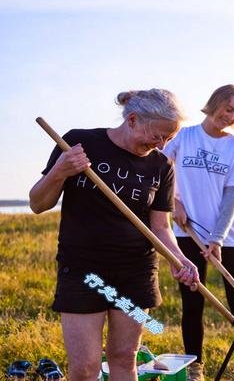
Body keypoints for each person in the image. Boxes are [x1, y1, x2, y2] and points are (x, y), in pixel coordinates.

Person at [29, 89, 200, 381]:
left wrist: (178, 259)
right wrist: (60, 170)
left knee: (124, 358)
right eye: (157, 136)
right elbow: (37, 204)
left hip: (135, 273)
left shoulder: (161, 166)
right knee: (84, 368)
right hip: (84, 271)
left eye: (169, 139)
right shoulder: (79, 143)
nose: (160, 144)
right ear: (132, 119)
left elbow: (159, 227)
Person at [162, 84, 234, 381]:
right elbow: (160, 172)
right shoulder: (184, 136)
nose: (230, 116)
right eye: (228, 108)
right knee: (192, 302)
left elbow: (232, 195)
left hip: (230, 234)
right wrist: (174, 202)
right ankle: (195, 366)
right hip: (187, 231)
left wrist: (217, 238)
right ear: (215, 103)